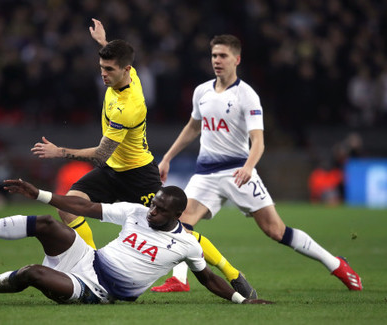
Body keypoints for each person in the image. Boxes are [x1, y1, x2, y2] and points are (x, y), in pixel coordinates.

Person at [31, 19, 257, 297]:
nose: (103, 74)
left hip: (138, 175)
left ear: (124, 71)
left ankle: (234, 274)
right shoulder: (128, 73)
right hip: (113, 171)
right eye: (101, 68)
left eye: (109, 70)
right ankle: (88, 262)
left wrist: (60, 152)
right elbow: (120, 58)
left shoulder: (130, 105)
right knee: (68, 207)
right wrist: (104, 43)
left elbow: (102, 153)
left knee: (179, 232)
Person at [151, 34, 362, 292]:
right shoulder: (201, 92)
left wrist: (249, 167)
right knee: (181, 222)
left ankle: (336, 264)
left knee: (276, 230)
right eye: (214, 55)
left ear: (236, 59)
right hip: (205, 173)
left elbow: (258, 141)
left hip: (238, 171)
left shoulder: (246, 95)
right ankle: (180, 280)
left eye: (223, 56)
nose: (217, 60)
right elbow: (193, 127)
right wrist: (168, 158)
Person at [0, 178, 272, 305]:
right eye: (153, 204)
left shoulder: (188, 245)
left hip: (97, 290)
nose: (151, 211)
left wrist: (242, 300)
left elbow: (207, 278)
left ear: (176, 216)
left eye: (159, 209)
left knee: (34, 273)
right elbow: (85, 206)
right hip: (87, 258)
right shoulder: (136, 212)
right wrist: (41, 194)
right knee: (48, 223)